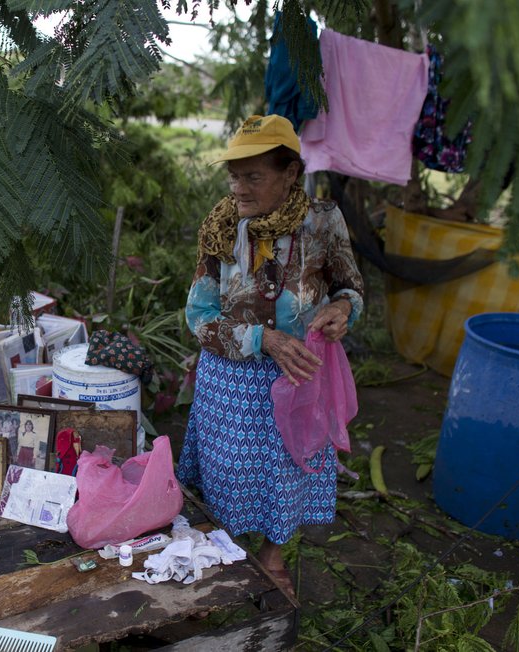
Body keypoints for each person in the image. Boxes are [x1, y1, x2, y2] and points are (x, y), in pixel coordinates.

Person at [176, 114, 364, 598]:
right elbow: (199, 316)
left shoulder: (323, 222)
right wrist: (264, 340)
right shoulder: (220, 227)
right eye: (234, 175)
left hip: (300, 375)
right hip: (233, 379)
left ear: (291, 174)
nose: (238, 188)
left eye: (253, 176)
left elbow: (350, 287)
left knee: (288, 470)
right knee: (228, 470)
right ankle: (220, 550)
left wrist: (343, 309)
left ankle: (272, 553)